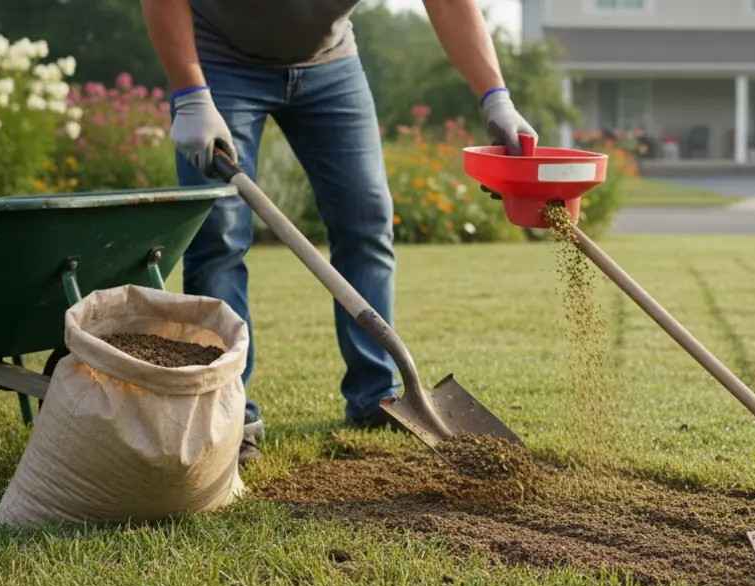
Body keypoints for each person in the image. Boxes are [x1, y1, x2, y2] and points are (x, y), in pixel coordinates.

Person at [140, 0, 538, 465]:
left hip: (330, 63)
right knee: (219, 237)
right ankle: (228, 408)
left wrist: (496, 98)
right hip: (219, 62)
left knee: (367, 221)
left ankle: (375, 395)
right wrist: (191, 94)